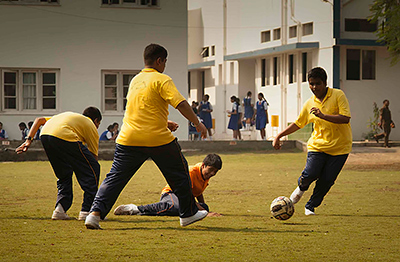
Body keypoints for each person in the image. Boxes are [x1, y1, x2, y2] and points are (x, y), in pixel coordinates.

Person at [84, 43, 208, 230]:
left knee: (115, 178)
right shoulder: (162, 79)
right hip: (157, 139)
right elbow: (180, 103)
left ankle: (94, 214)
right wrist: (197, 123)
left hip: (128, 138)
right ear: (159, 61)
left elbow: (141, 111)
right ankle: (188, 213)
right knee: (180, 174)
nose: (165, 65)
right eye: (165, 61)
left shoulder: (135, 80)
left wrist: (165, 122)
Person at [273, 67, 352, 216]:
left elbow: (345, 118)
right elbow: (298, 123)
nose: (314, 87)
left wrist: (323, 116)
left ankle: (310, 206)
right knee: (311, 173)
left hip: (340, 147)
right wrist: (279, 136)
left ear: (325, 83)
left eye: (317, 83)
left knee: (327, 180)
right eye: (311, 84)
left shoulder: (338, 95)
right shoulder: (310, 103)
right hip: (318, 145)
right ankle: (302, 187)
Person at [15, 107, 102, 221]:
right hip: (65, 136)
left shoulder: (69, 118)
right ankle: (86, 211)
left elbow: (39, 120)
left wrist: (28, 141)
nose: (97, 127)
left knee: (64, 173)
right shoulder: (90, 125)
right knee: (93, 169)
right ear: (95, 120)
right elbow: (93, 159)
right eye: (98, 124)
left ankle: (60, 210)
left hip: (45, 135)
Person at [113, 154, 222, 217]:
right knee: (176, 206)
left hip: (184, 198)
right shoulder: (191, 172)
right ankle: (135, 209)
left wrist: (203, 207)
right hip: (172, 193)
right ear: (204, 165)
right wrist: (205, 213)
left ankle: (145, 212)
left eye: (215, 172)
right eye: (211, 170)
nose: (212, 174)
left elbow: (198, 192)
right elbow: (186, 195)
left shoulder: (204, 176)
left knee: (192, 208)